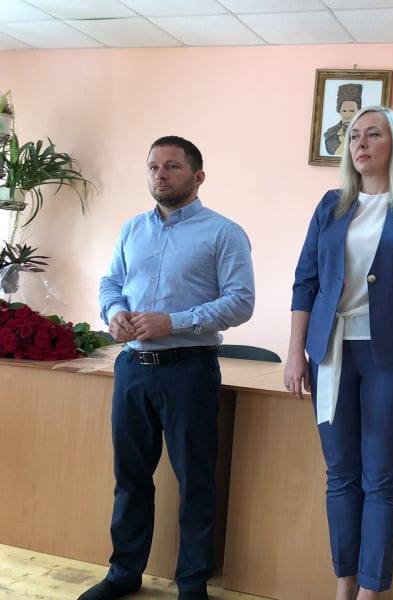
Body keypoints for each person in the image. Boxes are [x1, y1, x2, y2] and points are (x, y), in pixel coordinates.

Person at [285, 106, 393, 599]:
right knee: (340, 475)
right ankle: (345, 584)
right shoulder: (331, 206)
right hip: (330, 354)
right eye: (354, 135)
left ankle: (371, 591)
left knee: (382, 478)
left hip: (391, 359)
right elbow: (305, 283)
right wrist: (295, 353)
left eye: (373, 134)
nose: (360, 143)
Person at [81, 136, 255, 600]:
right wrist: (114, 310)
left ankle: (192, 584)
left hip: (189, 370)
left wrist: (172, 321)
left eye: (172, 166)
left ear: (197, 177)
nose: (161, 174)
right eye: (154, 166)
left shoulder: (223, 233)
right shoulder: (132, 229)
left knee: (195, 481)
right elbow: (111, 281)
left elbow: (241, 302)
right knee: (131, 477)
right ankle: (124, 572)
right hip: (133, 368)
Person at [324, 83, 362, 156]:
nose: (347, 115)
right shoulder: (330, 133)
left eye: (352, 111)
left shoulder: (366, 131)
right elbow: (335, 154)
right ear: (339, 111)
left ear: (358, 111)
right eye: (344, 111)